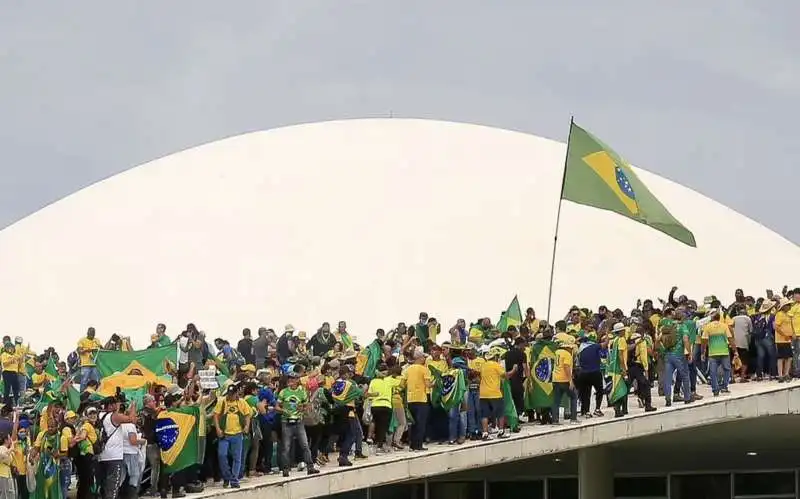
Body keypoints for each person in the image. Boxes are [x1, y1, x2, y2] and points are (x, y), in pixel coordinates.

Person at [276, 372, 319, 476]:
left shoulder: (302, 392)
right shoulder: (283, 392)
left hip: (299, 422)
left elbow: (307, 405)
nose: (291, 380)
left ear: (297, 380)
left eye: (293, 378)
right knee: (286, 447)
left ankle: (310, 467)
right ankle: (285, 469)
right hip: (286, 422)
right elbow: (277, 406)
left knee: (305, 445)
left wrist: (303, 408)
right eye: (289, 378)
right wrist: (283, 411)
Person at [98, 396, 139, 499]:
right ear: (111, 405)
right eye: (117, 404)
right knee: (113, 487)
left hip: (101, 455)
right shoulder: (113, 416)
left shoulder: (99, 415)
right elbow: (132, 420)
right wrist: (133, 405)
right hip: (114, 457)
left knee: (104, 486)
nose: (119, 406)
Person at [213, 384, 252, 488]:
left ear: (236, 393)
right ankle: (227, 476)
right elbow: (216, 416)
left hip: (237, 433)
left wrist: (247, 426)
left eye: (232, 394)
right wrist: (218, 429)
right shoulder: (222, 402)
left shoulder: (242, 402)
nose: (230, 396)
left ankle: (234, 479)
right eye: (229, 394)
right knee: (222, 455)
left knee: (237, 458)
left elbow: (248, 414)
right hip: (224, 434)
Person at [77, 327, 103, 392]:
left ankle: (96, 395)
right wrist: (88, 350)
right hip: (85, 365)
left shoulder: (97, 340)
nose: (92, 334)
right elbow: (79, 351)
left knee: (97, 381)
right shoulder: (82, 340)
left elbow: (102, 349)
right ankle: (82, 396)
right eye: (91, 332)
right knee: (84, 381)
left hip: (95, 365)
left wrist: (100, 347)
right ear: (87, 332)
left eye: (94, 333)